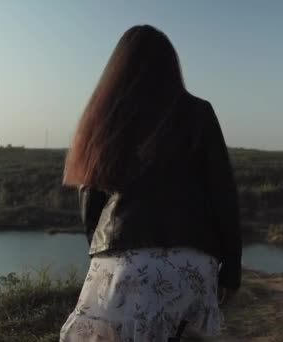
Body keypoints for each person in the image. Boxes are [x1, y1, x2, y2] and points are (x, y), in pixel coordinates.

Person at [60, 24, 241, 342]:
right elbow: (223, 194)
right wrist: (232, 269)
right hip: (192, 260)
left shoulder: (105, 116)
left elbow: (91, 200)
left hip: (124, 261)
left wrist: (104, 252)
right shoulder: (199, 112)